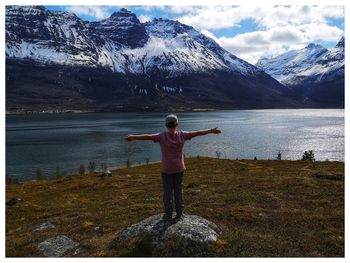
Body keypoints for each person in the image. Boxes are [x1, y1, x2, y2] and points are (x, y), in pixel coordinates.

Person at [125, 114, 221, 221]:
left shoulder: (161, 136)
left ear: (166, 125)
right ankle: (179, 213)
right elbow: (197, 132)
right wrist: (211, 130)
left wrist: (133, 136)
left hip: (166, 170)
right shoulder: (183, 135)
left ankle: (168, 214)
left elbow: (148, 136)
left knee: (167, 192)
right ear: (177, 124)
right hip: (179, 169)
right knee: (178, 191)